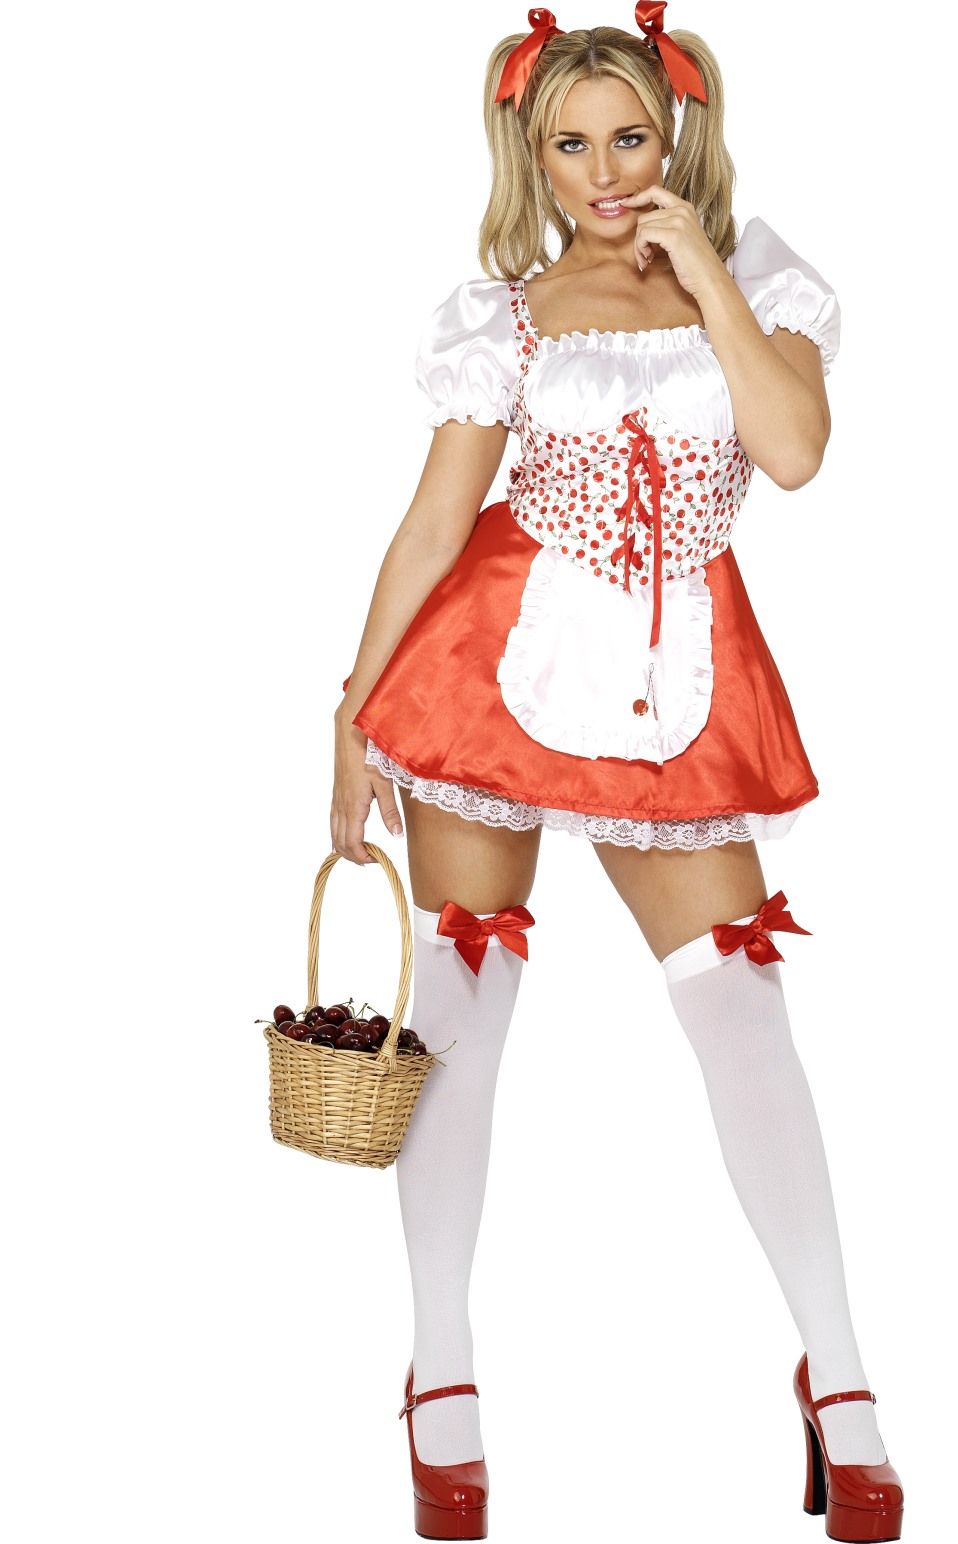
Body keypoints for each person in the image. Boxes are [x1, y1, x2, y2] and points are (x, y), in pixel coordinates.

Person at [331, 7, 904, 1539]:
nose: (599, 172)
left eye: (627, 137)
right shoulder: (507, 315)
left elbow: (792, 454)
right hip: (495, 661)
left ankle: (840, 1377)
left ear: (676, 136)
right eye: (568, 143)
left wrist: (702, 269)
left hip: (679, 679)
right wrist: (349, 713)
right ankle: (440, 1371)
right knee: (459, 1001)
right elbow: (435, 523)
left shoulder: (761, 279)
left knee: (740, 1002)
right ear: (531, 153)